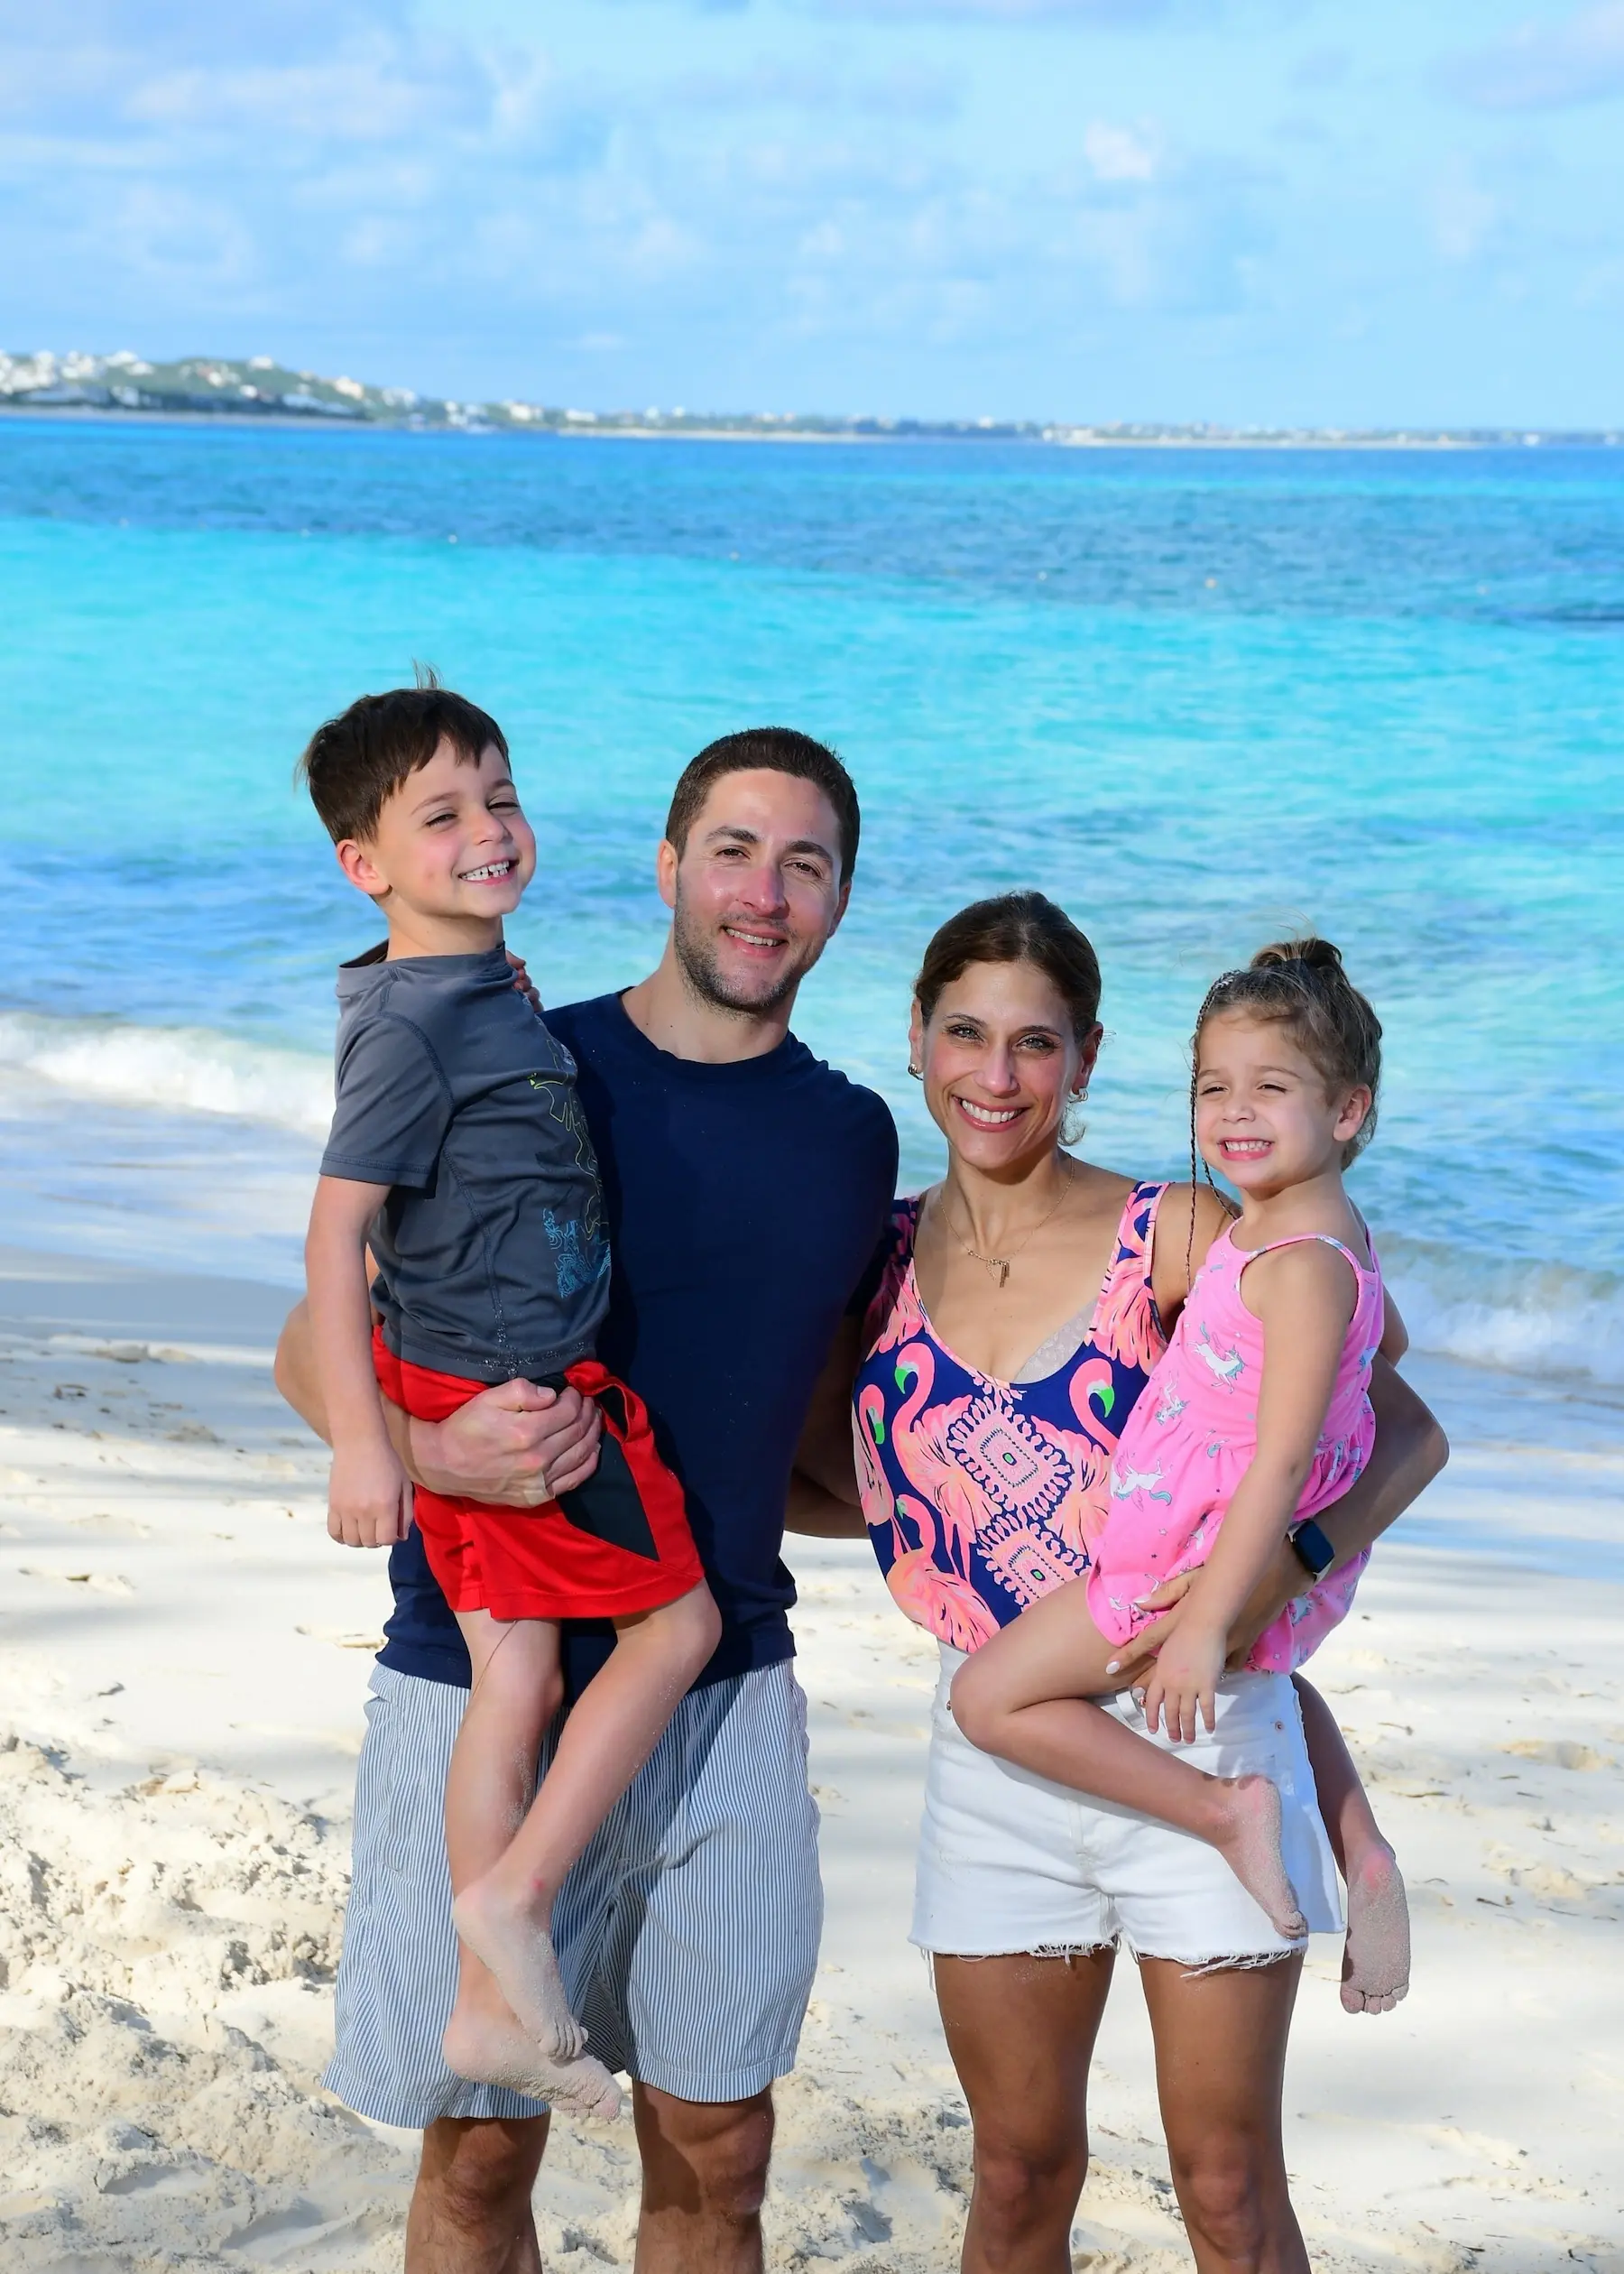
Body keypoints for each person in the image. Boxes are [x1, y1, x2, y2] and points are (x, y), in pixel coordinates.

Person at [274, 727, 898, 2273]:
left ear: (840, 903)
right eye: (734, 851)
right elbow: (307, 1345)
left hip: (723, 1675)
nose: (765, 893)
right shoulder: (535, 1059)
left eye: (806, 864)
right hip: (486, 1658)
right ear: (670, 866)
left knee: (722, 2151)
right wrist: (430, 1457)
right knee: (480, 2157)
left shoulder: (852, 1139)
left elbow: (810, 1436)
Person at [797, 892, 1446, 2274]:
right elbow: (840, 1485)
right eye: (965, 1033)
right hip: (999, 1748)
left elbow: (1397, 1427)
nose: (996, 1075)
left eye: (1035, 1043)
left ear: (1086, 1058)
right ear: (914, 1038)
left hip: (1197, 1727)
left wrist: (1262, 1591)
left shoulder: (1189, 1230)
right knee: (1017, 2175)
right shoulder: (878, 1257)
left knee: (1226, 2189)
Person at [299, 681, 721, 2121]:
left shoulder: (473, 988)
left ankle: (488, 2003)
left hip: (487, 1371)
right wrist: (371, 1448)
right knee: (678, 1625)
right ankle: (514, 1902)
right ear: (366, 863)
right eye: (442, 815)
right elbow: (334, 1236)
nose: (488, 829)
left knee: (522, 1677)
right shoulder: (414, 1023)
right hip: (505, 1396)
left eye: (500, 797)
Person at [951, 937, 1409, 1999]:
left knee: (987, 1699)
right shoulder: (1309, 1226)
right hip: (1225, 1541)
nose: (1236, 1112)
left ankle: (1222, 1811)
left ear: (1348, 1110)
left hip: (1185, 1557)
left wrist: (1202, 1623)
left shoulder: (1298, 1265)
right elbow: (1387, 1353)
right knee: (1281, 1677)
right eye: (1214, 1087)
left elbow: (1281, 1460)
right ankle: (1363, 1847)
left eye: (1271, 1088)